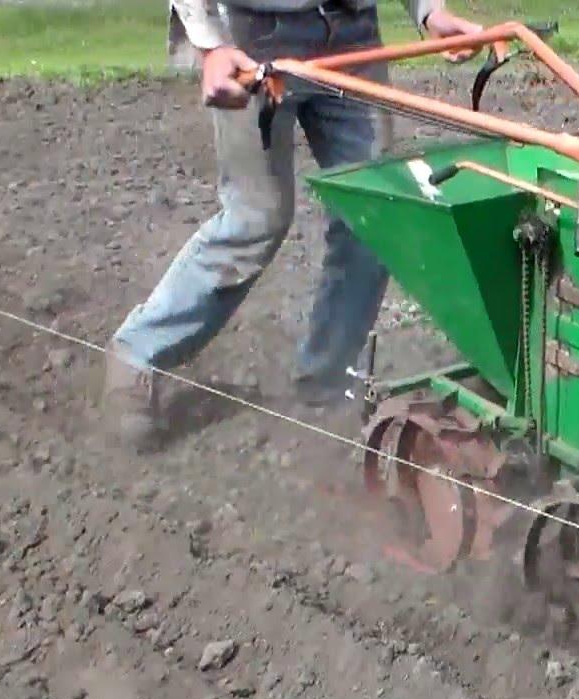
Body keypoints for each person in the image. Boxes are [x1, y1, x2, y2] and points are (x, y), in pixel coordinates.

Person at [101, 0, 483, 447]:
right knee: (256, 216)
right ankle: (136, 353)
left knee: (374, 212)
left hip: (351, 31)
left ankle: (326, 384)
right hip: (251, 37)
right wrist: (210, 46)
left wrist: (429, 11)